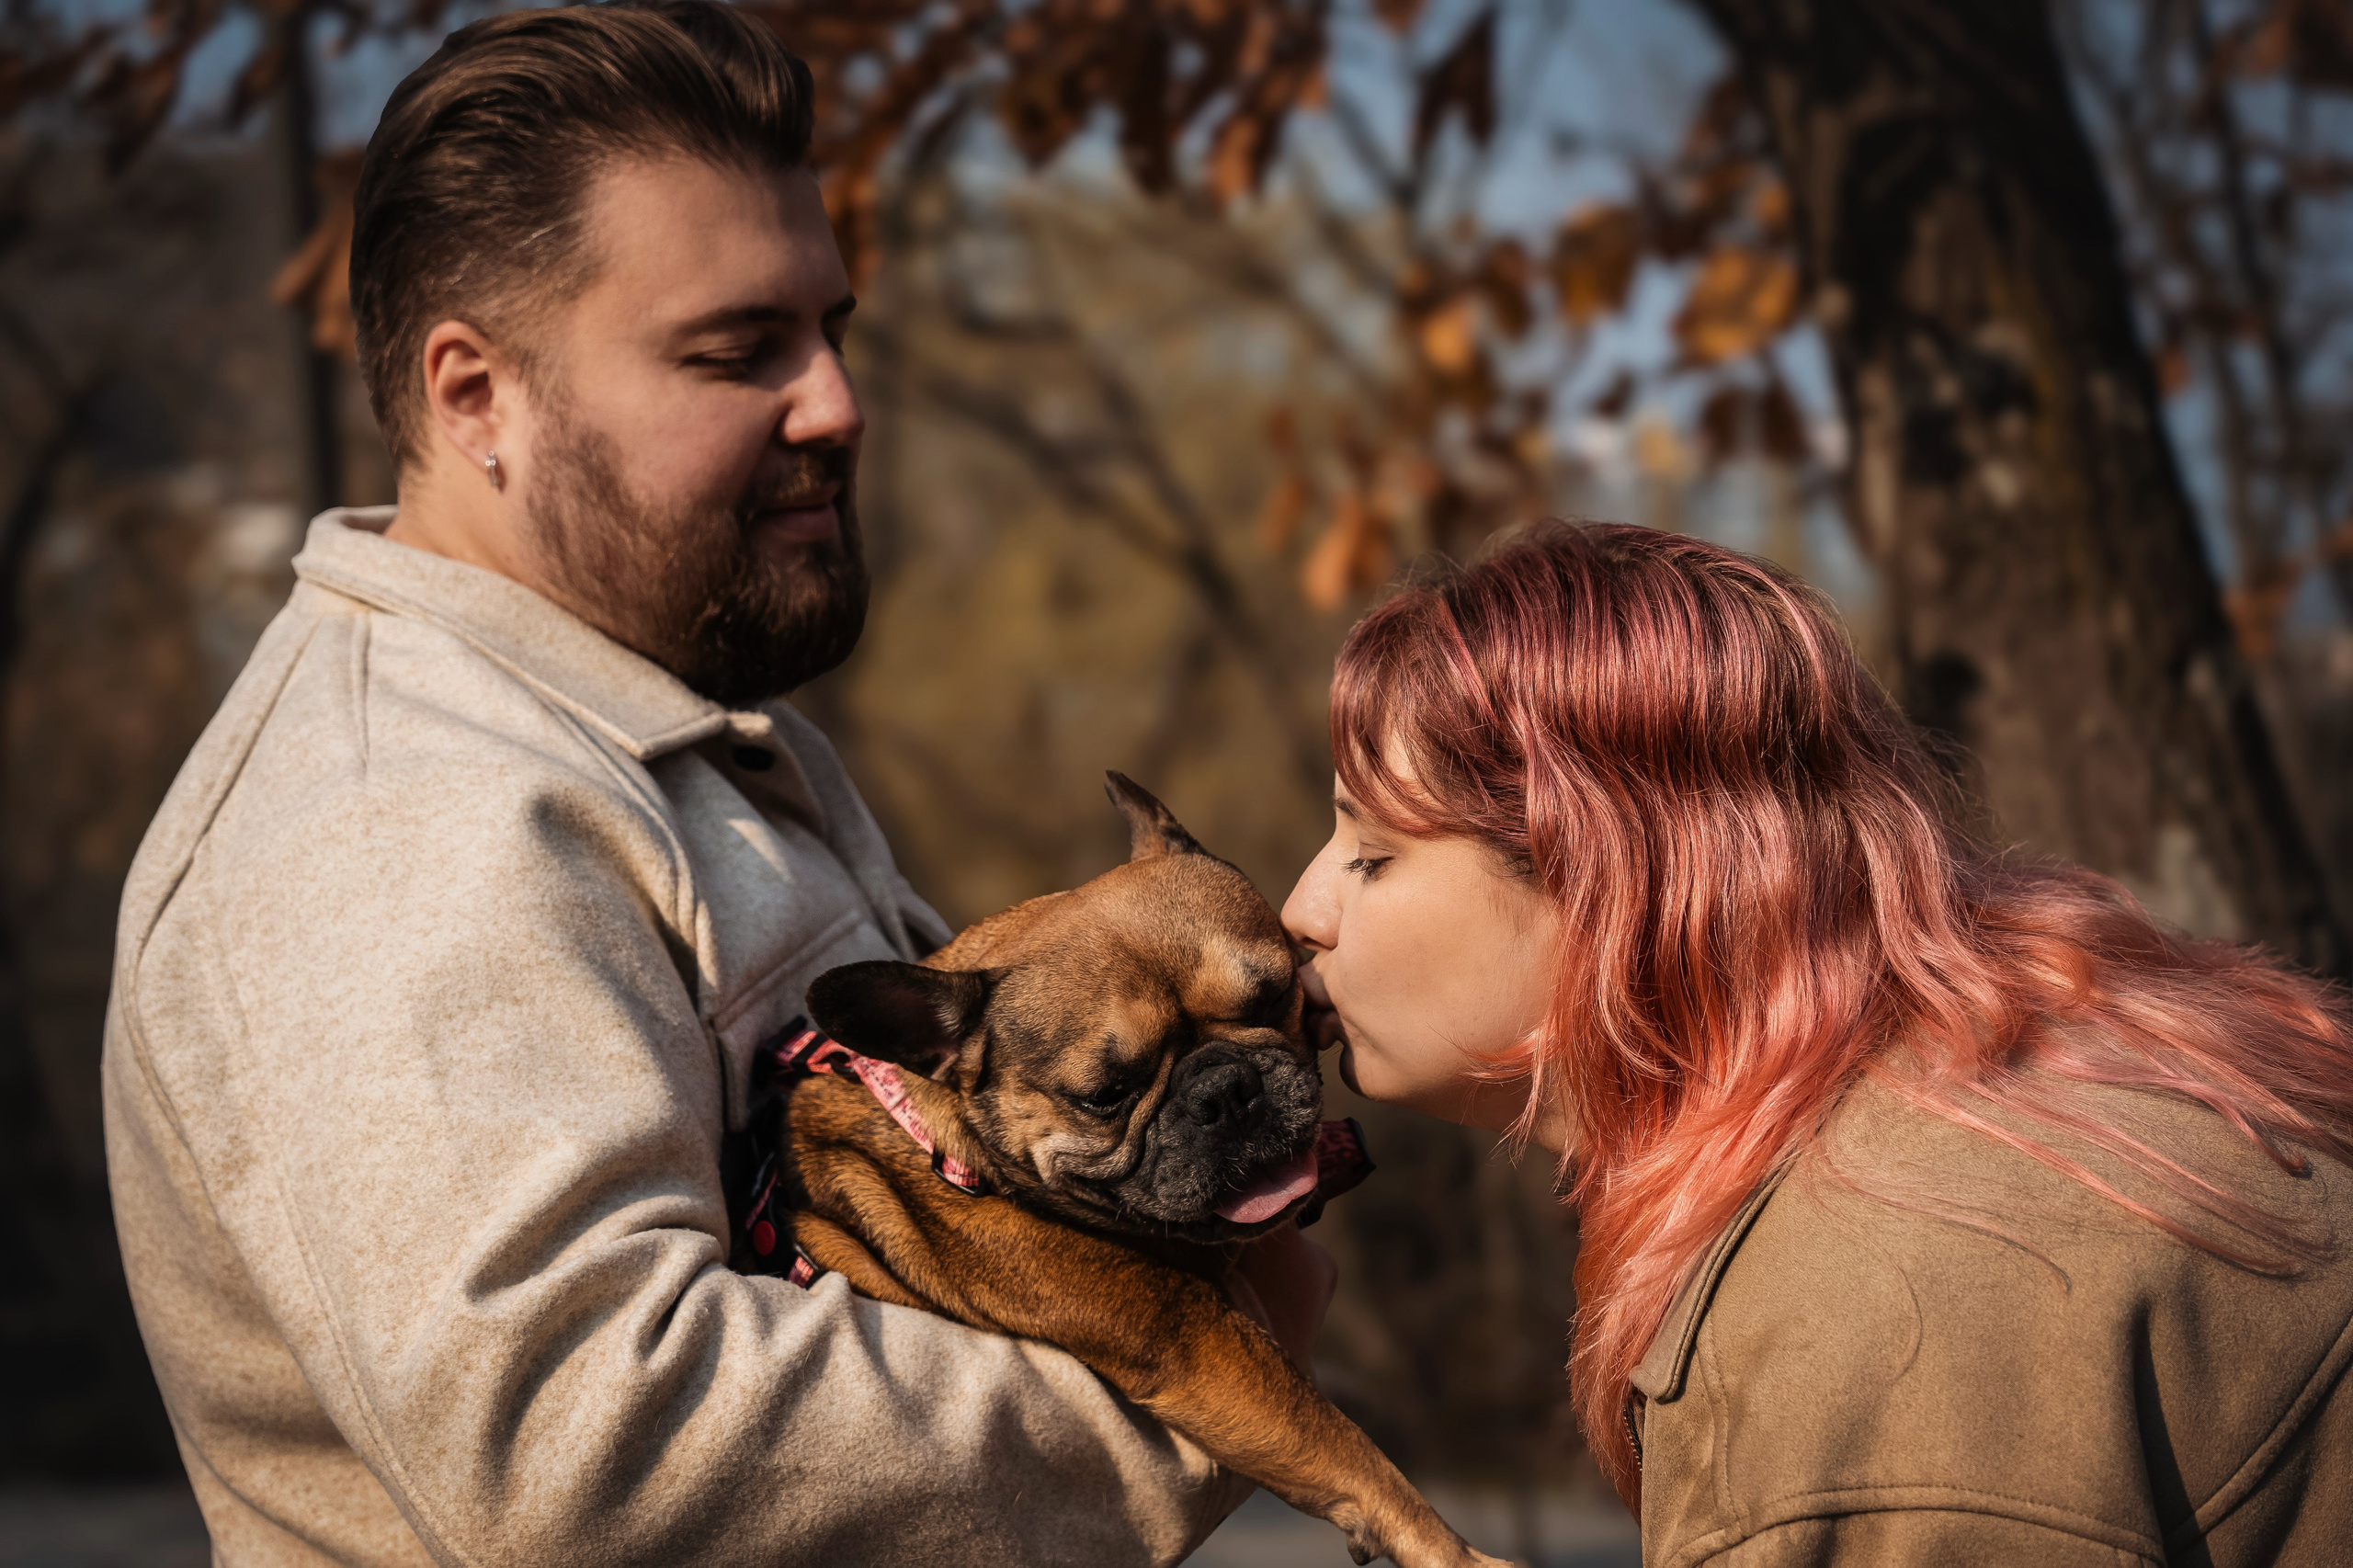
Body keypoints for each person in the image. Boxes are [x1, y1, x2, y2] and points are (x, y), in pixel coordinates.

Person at [100, 6, 1327, 1562]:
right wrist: (1205, 1374)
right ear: (477, 396)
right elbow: (588, 1455)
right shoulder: (400, 824)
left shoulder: (645, 729)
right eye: (739, 351)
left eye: (832, 329)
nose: (836, 403)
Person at [1282, 520, 2353, 1565]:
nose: (1299, 909)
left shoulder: (1869, 1323)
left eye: (1373, 852)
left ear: (1606, 881)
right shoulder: (2000, 1076)